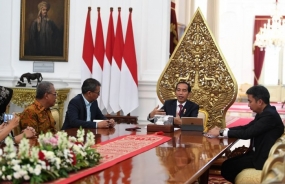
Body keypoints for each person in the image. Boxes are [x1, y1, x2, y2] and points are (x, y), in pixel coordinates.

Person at [206, 85, 284, 183]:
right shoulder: (265, 112)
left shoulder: (269, 116)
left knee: (227, 167)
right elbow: (246, 127)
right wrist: (223, 130)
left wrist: (221, 132)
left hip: (262, 159)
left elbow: (247, 133)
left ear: (259, 102)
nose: (248, 105)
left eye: (250, 101)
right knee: (227, 165)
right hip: (257, 154)